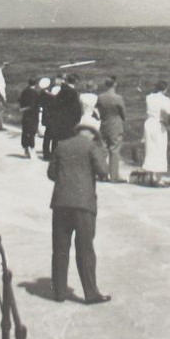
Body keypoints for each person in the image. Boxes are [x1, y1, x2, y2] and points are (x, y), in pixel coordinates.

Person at [47, 115, 111, 305]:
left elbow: (51, 173)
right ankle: (90, 293)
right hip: (84, 205)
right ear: (92, 133)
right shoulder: (92, 147)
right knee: (85, 250)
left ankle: (58, 292)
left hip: (60, 203)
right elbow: (103, 171)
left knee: (60, 249)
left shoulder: (61, 145)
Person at [140, 80, 170, 185]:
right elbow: (168, 111)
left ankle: (150, 175)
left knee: (149, 149)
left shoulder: (148, 97)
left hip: (149, 123)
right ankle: (158, 178)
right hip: (158, 124)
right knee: (160, 150)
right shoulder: (165, 99)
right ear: (165, 89)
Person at [96, 78, 126, 181]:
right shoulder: (118, 98)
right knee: (114, 150)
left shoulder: (100, 97)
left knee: (103, 149)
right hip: (115, 125)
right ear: (115, 84)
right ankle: (114, 176)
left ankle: (101, 173)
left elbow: (98, 110)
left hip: (104, 124)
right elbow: (123, 114)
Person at [18, 77, 41, 158]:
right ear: (35, 84)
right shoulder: (36, 93)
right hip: (33, 115)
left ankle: (25, 148)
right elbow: (37, 104)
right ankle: (31, 148)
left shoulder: (24, 91)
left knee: (25, 131)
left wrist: (23, 108)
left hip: (26, 114)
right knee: (32, 132)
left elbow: (20, 100)